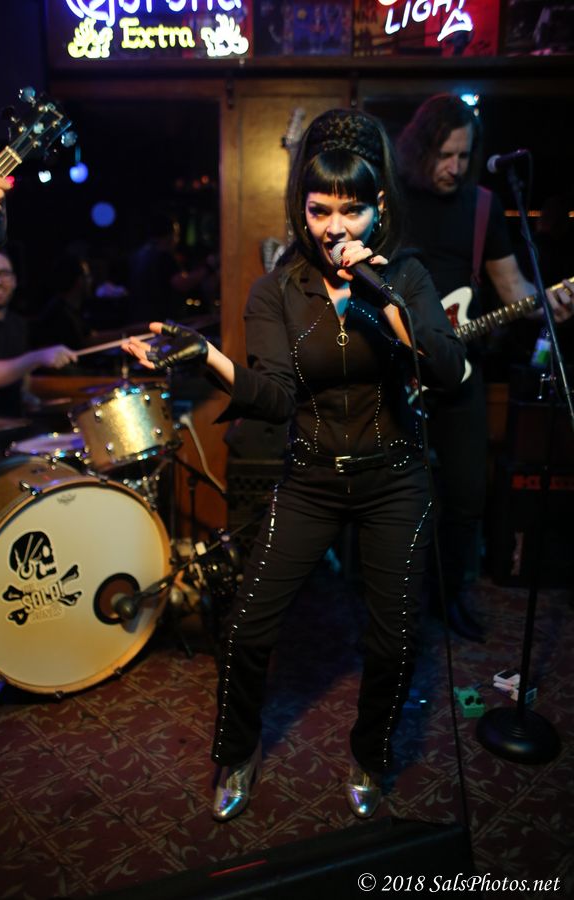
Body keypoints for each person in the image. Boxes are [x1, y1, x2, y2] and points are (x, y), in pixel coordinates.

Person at [123, 108, 465, 822]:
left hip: (394, 478)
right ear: (301, 209)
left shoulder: (405, 274)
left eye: (352, 210)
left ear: (378, 206)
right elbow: (275, 397)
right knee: (246, 627)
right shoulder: (277, 290)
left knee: (397, 637)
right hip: (309, 478)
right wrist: (207, 357)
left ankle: (371, 752)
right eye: (318, 211)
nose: (335, 228)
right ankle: (237, 750)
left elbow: (446, 367)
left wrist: (380, 294)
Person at [396, 93, 574, 642]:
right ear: (420, 149)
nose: (455, 167)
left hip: (461, 371)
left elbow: (512, 287)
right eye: (444, 155)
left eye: (463, 155)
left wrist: (549, 303)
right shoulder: (391, 198)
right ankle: (393, 604)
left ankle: (447, 596)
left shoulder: (482, 207)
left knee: (468, 494)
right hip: (395, 369)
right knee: (393, 497)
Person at [0, 249, 77, 417]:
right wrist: (39, 357)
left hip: (13, 423)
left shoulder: (18, 324)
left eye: (4, 273)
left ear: (14, 281)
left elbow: (22, 378)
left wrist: (28, 397)